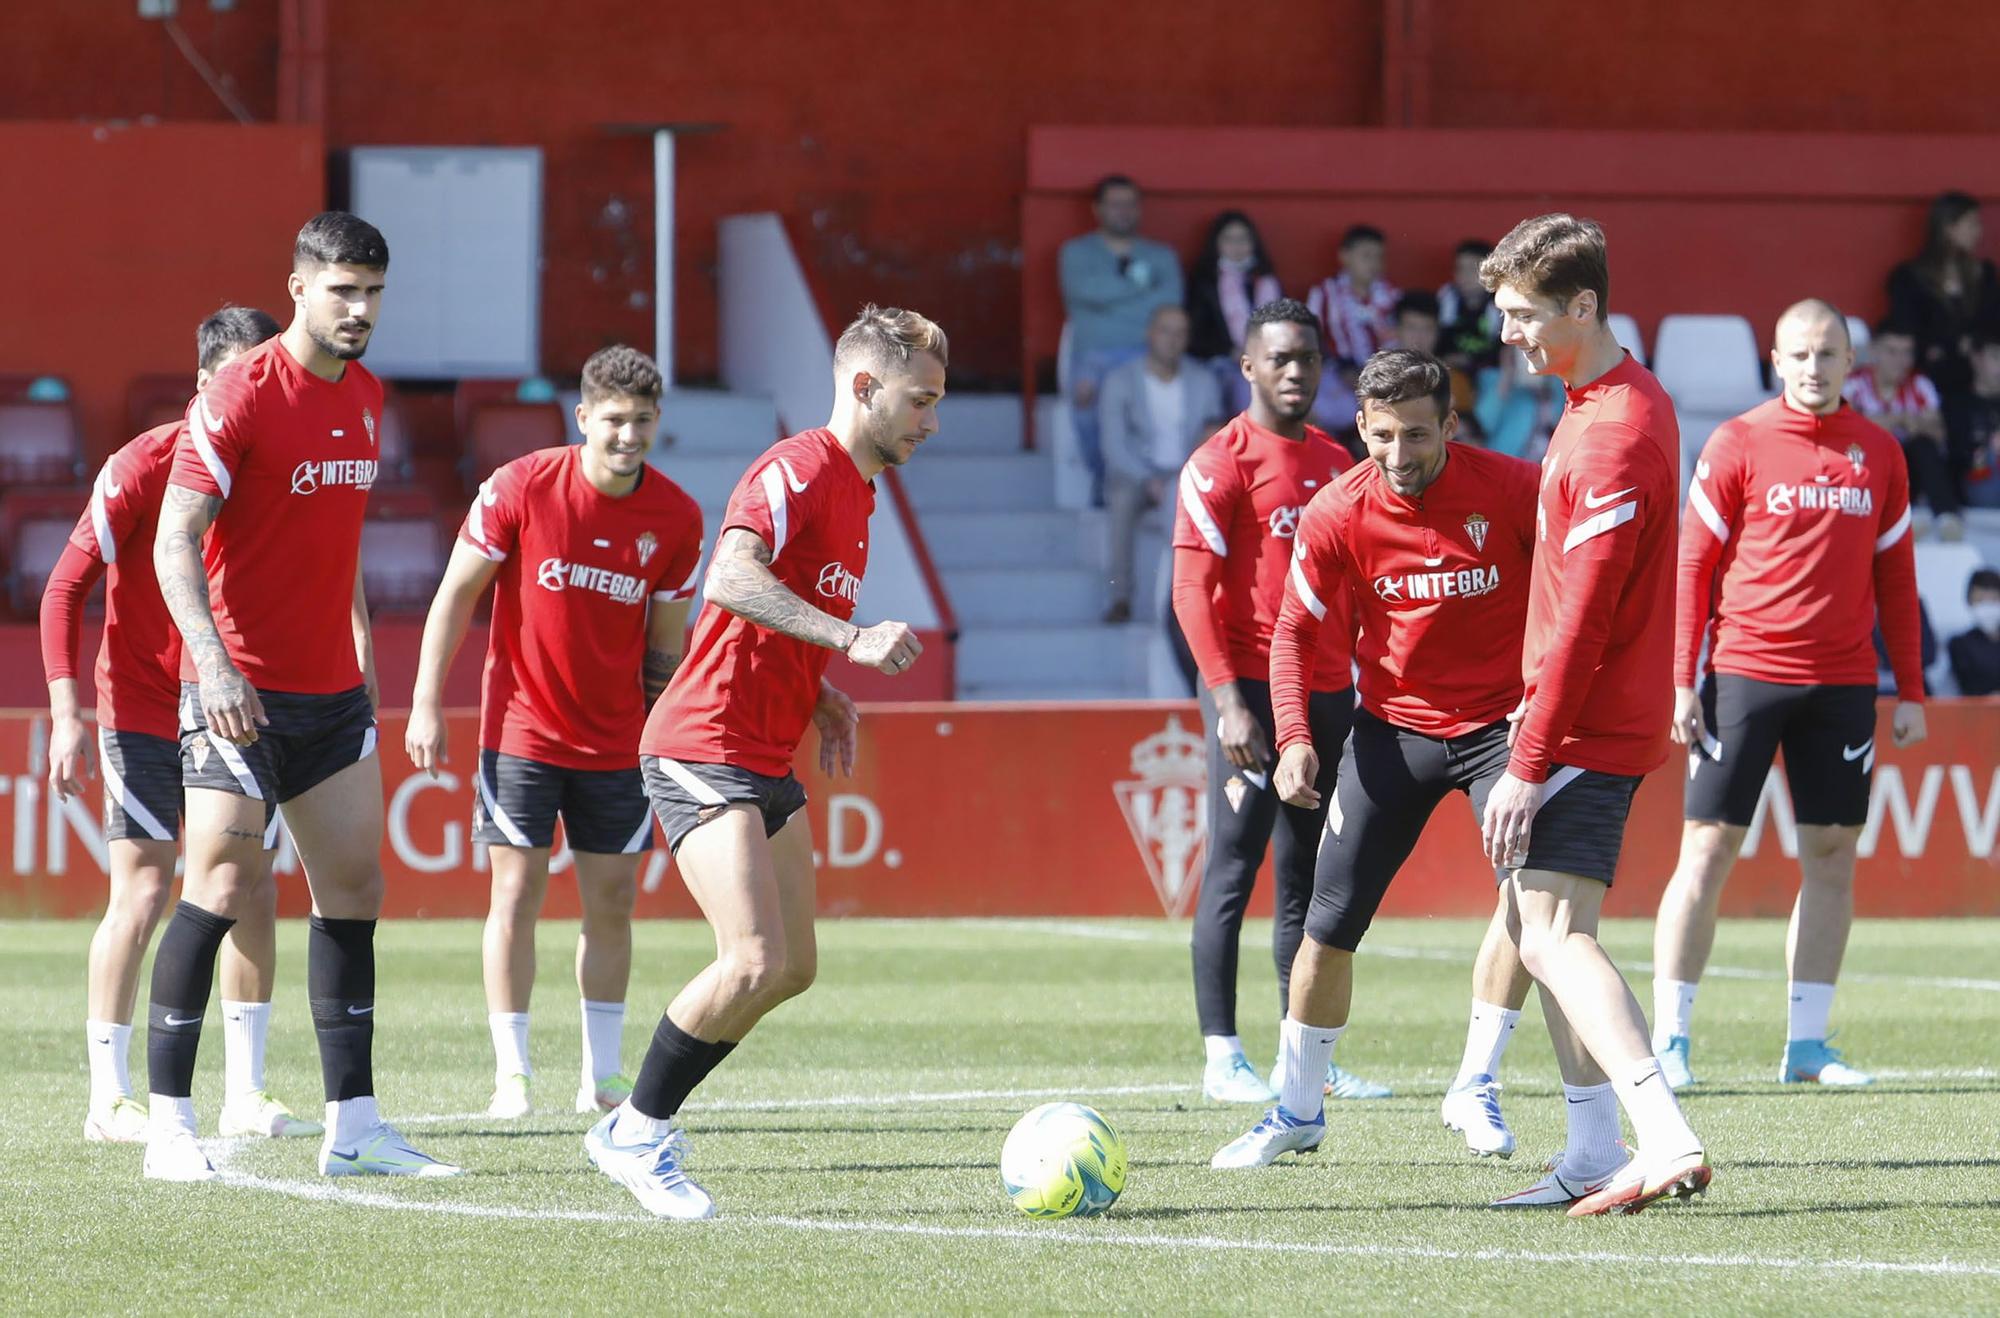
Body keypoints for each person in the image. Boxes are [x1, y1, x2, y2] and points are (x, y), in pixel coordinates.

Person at [584, 305, 941, 1220]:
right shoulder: (796, 467)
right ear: (865, 388)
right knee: (748, 957)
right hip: (701, 742)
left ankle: (642, 1123)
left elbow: (760, 614)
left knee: (792, 967)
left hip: (761, 748)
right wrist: (849, 639)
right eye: (920, 400)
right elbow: (732, 579)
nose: (929, 422)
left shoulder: (857, 492)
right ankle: (633, 1131)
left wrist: (818, 686)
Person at [146, 211, 458, 1181]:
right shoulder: (239, 395)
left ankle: (353, 1125)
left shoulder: (366, 396)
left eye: (372, 292)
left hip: (332, 697)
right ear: (297, 288)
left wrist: (362, 658)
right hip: (239, 691)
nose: (360, 309)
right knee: (223, 887)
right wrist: (212, 662)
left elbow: (332, 543)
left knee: (354, 891)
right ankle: (167, 1123)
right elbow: (173, 540)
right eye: (342, 291)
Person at [1207, 350, 1538, 1170]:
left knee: (1532, 898)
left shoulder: (1515, 490)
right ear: (1360, 425)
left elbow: (1579, 589)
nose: (1398, 455)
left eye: (1418, 436)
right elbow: (1292, 633)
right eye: (1382, 436)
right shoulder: (1334, 512)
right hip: (1393, 732)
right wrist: (1292, 739)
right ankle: (1296, 1110)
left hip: (1505, 728)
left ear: (1451, 426)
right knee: (1327, 923)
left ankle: (1476, 1082)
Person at [1475, 213, 1710, 1215]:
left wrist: (1528, 757)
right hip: (1583, 716)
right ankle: (1587, 1149)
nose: (1506, 335)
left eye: (1523, 314)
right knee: (1538, 933)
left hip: (1578, 723)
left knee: (1555, 934)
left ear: (1582, 306)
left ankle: (1661, 1132)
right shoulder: (1606, 399)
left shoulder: (1612, 432)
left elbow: (1583, 619)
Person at [40, 307, 317, 1146]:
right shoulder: (141, 466)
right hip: (146, 703)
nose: (250, 394)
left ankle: (246, 1093)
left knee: (249, 885)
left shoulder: (283, 461)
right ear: (204, 384)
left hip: (238, 698)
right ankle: (108, 1097)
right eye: (236, 378)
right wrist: (65, 715)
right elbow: (62, 589)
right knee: (148, 887)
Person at [405, 346, 703, 1119]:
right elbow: (455, 596)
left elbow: (666, 648)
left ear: (657, 421)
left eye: (642, 421)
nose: (629, 436)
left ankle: (602, 1077)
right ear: (583, 420)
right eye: (614, 421)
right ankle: (513, 1074)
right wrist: (427, 703)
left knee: (612, 903)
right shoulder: (521, 487)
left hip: (617, 744)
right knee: (517, 892)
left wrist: (665, 732)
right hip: (522, 733)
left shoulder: (676, 517)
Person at [1651, 299, 1928, 1093]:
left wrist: (1908, 688)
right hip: (1741, 674)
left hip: (1843, 686)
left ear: (1851, 364)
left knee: (1833, 858)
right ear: (1776, 360)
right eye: (1800, 354)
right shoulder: (1737, 441)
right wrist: (1682, 679)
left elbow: (1897, 578)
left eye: (1829, 355)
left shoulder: (1878, 453)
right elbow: (1691, 568)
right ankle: (1672, 1040)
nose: (1814, 368)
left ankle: (1807, 1045)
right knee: (1705, 852)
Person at [1169, 298, 1389, 1106]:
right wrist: (1228, 702)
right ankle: (1222, 1054)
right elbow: (1190, 592)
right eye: (1281, 359)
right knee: (1233, 866)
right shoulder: (1219, 461)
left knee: (1313, 874)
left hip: (1329, 690)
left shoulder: (1341, 460)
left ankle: (1308, 1062)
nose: (1297, 373)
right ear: (1249, 367)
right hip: (1251, 692)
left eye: (1309, 358)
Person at [1059, 175, 1184, 504]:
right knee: (1087, 408)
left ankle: (1154, 487)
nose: (1123, 211)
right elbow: (1084, 291)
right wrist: (1142, 291)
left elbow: (1171, 299)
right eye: (1115, 204)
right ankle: (1107, 485)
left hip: (1151, 354)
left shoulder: (1161, 254)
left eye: (1130, 204)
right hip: (1095, 356)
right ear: (1097, 208)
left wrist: (1108, 300)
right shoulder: (1076, 252)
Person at [1098, 305, 1224, 623]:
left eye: (1180, 332)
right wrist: (1146, 479)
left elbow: (1213, 436)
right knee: (1121, 500)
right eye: (1165, 331)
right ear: (1149, 334)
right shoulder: (1121, 380)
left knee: (1181, 501)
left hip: (1187, 473)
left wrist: (1185, 478)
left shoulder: (1203, 380)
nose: (1172, 339)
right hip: (1136, 474)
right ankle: (1121, 597)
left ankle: (1183, 599)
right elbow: (1114, 446)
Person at [1844, 320, 1961, 538]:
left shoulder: (1920, 385)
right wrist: (1902, 419)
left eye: (1906, 352)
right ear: (1873, 350)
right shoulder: (1852, 385)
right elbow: (1847, 431)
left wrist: (1880, 421)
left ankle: (1947, 519)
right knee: (1870, 447)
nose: (1900, 361)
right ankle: (1896, 518)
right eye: (1892, 352)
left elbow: (1939, 433)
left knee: (1924, 446)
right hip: (1866, 477)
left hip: (1909, 472)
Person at [1887, 191, 2000, 404]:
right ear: (1948, 228)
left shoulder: (1984, 274)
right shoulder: (1910, 277)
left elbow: (1992, 323)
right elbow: (1910, 329)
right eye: (1971, 224)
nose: (1979, 232)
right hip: (1932, 379)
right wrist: (1956, 344)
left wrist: (1959, 345)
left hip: (1981, 380)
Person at [1185, 210, 1282, 412]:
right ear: (1216, 244)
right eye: (1229, 239)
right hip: (1220, 362)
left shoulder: (1266, 282)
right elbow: (1195, 336)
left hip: (1267, 360)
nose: (1236, 245)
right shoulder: (1205, 282)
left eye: (1243, 239)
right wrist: (1230, 351)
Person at [1944, 333, 2000, 508]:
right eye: (1996, 356)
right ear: (1976, 358)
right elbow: (1955, 455)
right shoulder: (1958, 404)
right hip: (1977, 483)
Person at [1948, 568, 2000, 697]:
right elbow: (1969, 684)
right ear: (1969, 601)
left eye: (1993, 599)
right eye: (1981, 600)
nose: (1987, 606)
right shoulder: (1959, 644)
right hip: (1978, 713)